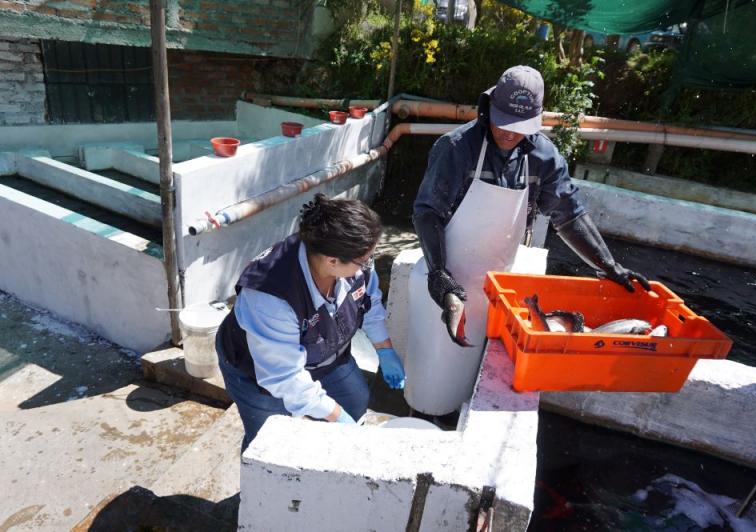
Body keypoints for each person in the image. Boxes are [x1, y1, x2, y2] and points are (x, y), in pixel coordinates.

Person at [414, 64, 651, 345]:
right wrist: (439, 275)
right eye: (502, 121)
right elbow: (427, 212)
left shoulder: (544, 157)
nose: (509, 134)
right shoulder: (455, 148)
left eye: (519, 127)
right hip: (446, 286)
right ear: (488, 108)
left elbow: (569, 216)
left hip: (500, 287)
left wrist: (609, 266)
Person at [216, 193, 405, 451]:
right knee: (270, 444)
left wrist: (385, 350)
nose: (367, 266)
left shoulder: (350, 260)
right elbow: (285, 377)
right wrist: (336, 415)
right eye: (365, 260)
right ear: (332, 261)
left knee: (356, 400)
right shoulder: (270, 295)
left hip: (325, 355)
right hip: (260, 374)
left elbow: (368, 304)